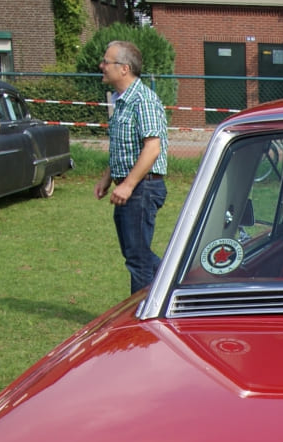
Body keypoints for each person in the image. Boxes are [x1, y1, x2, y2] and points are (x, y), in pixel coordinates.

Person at [96, 39, 170, 293]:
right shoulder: (122, 100)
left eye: (107, 61)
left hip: (143, 188)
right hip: (132, 187)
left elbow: (152, 148)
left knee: (138, 259)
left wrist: (127, 185)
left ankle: (141, 315)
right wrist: (108, 179)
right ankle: (174, 284)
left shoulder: (143, 101)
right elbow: (123, 147)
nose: (102, 65)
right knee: (135, 254)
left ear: (124, 68)